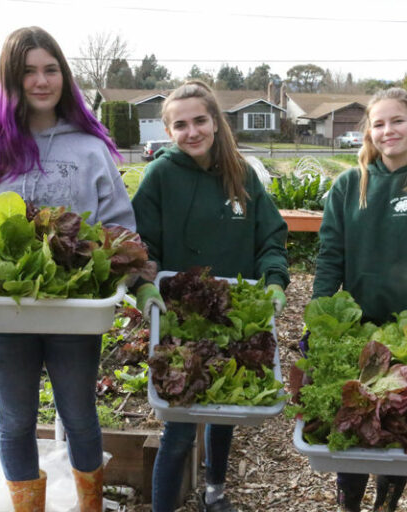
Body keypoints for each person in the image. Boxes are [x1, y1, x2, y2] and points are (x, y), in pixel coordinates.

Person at [0, 26, 135, 511]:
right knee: (16, 420)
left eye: (51, 69)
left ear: (64, 77)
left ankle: (90, 506)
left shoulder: (89, 148)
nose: (41, 81)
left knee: (81, 416)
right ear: (10, 79)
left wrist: (122, 269)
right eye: (28, 71)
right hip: (4, 315)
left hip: (74, 311)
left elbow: (120, 226)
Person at [131, 80, 289, 512]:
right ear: (169, 132)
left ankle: (215, 493)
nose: (192, 131)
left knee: (225, 409)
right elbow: (140, 243)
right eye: (180, 125)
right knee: (179, 429)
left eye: (200, 120)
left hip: (235, 313)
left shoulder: (241, 173)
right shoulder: (160, 175)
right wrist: (145, 285)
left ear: (216, 123)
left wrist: (273, 279)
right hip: (181, 315)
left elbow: (270, 237)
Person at [312, 87, 407, 512]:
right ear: (369, 133)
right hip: (357, 329)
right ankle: (348, 504)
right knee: (354, 422)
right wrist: (316, 321)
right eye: (378, 124)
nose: (388, 130)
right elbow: (329, 259)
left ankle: (386, 505)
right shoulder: (348, 186)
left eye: (397, 121)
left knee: (398, 426)